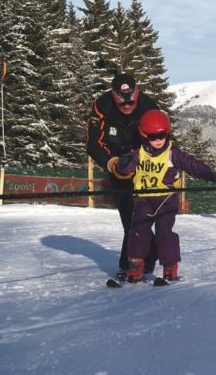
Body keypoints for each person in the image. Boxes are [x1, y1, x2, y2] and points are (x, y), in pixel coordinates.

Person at [111, 109, 216, 283]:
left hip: (166, 200)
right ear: (144, 136)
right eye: (153, 137)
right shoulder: (139, 153)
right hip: (143, 200)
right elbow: (124, 167)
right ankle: (135, 267)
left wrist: (208, 174)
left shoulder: (172, 153)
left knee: (164, 232)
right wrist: (122, 164)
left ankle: (170, 268)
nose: (158, 140)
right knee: (138, 231)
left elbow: (191, 164)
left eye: (162, 136)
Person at [86, 73, 159, 279]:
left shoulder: (149, 107)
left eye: (131, 103)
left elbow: (161, 140)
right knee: (130, 218)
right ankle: (138, 261)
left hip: (147, 170)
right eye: (122, 104)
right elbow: (93, 143)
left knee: (141, 218)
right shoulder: (101, 105)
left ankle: (135, 262)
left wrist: (145, 163)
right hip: (117, 167)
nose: (127, 107)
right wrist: (111, 163)